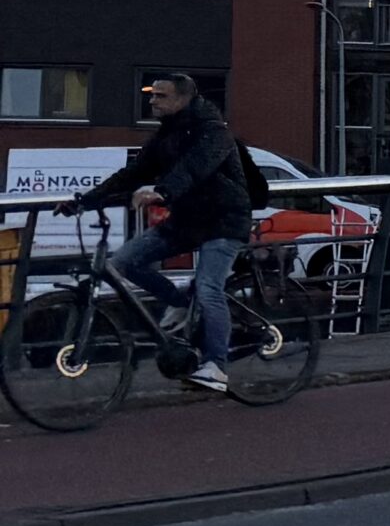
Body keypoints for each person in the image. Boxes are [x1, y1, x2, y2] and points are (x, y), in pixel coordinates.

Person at [69, 67, 256, 392]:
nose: (153, 100)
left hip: (224, 219)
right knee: (124, 262)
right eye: (151, 94)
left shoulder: (214, 131)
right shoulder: (165, 135)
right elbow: (134, 172)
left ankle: (217, 368)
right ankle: (184, 305)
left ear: (184, 99)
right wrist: (85, 201)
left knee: (210, 288)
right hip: (188, 220)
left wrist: (163, 191)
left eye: (161, 95)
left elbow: (196, 166)